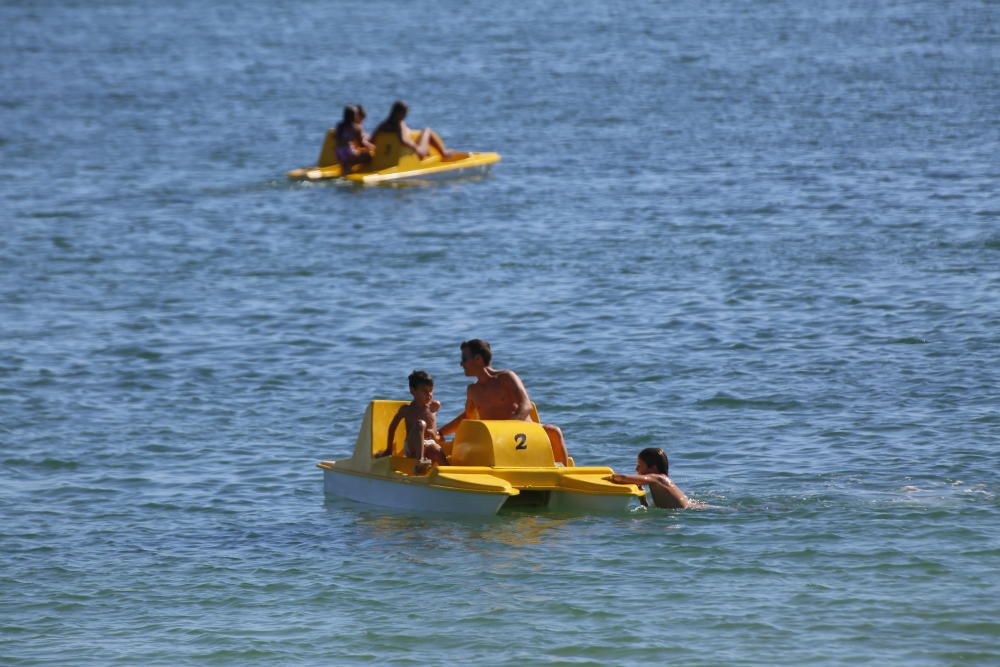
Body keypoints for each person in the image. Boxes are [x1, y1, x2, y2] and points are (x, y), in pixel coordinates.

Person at [438, 339, 569, 465]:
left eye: (464, 359)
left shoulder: (506, 377)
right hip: (496, 440)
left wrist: (507, 428)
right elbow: (468, 417)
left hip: (523, 434)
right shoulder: (473, 390)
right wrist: (441, 432)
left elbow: (526, 406)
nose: (461, 364)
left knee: (554, 431)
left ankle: (564, 475)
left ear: (478, 359)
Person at [378, 370, 448, 474]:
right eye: (424, 391)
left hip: (429, 445)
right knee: (420, 424)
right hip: (412, 447)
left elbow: (435, 434)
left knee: (437, 450)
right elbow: (393, 427)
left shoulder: (433, 407)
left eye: (431, 391)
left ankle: (448, 474)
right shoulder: (407, 410)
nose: (429, 395)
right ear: (412, 390)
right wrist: (389, 449)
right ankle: (420, 461)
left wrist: (435, 435)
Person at [604, 448, 692, 509]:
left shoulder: (657, 478)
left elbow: (623, 478)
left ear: (653, 468)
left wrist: (607, 478)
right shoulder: (660, 481)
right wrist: (642, 498)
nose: (636, 469)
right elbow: (648, 508)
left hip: (693, 511)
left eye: (639, 465)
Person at [372, 100, 454, 159]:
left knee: (421, 134)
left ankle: (432, 151)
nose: (405, 116)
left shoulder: (383, 125)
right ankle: (444, 153)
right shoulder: (400, 124)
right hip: (413, 154)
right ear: (399, 113)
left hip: (389, 156)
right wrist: (417, 148)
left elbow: (372, 139)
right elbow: (403, 140)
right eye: (404, 114)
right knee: (427, 130)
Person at [334, 105, 374, 174]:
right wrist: (372, 147)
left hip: (338, 152)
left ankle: (346, 169)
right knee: (367, 156)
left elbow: (337, 137)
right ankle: (351, 171)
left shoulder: (339, 126)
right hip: (348, 153)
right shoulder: (356, 127)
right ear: (354, 116)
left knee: (346, 164)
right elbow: (361, 144)